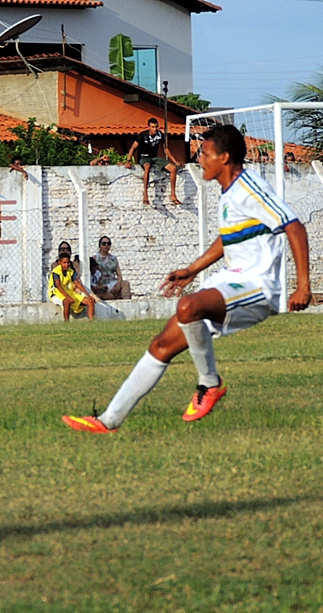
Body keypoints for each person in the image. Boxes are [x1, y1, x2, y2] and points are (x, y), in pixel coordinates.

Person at [64, 124, 312, 434]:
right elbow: (227, 239)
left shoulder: (250, 187)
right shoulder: (229, 192)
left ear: (224, 157)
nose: (199, 158)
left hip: (258, 287)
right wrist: (193, 269)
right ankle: (107, 421)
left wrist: (303, 285)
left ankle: (210, 384)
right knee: (162, 344)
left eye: (204, 153)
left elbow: (294, 226)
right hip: (230, 281)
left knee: (188, 307)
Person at [125, 118, 183, 206]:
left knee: (173, 168)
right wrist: (128, 161)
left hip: (154, 158)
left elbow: (165, 149)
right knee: (147, 167)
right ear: (149, 127)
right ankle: (145, 194)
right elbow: (133, 147)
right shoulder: (143, 135)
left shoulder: (160, 135)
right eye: (152, 127)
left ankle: (173, 194)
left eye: (156, 127)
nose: (155, 129)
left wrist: (175, 161)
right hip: (144, 157)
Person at [48, 252, 97, 321]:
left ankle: (92, 322)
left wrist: (88, 295)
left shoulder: (70, 272)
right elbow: (58, 286)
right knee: (66, 302)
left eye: (68, 262)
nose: (67, 264)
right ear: (59, 263)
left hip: (69, 292)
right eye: (64, 263)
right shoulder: (56, 272)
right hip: (56, 293)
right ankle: (66, 322)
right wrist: (68, 297)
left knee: (90, 301)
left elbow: (77, 283)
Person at [91, 236, 129, 300]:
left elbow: (119, 274)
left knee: (125, 284)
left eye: (108, 243)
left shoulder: (113, 259)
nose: (106, 245)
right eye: (104, 243)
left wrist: (118, 284)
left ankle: (127, 303)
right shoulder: (95, 258)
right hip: (101, 284)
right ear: (100, 246)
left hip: (112, 282)